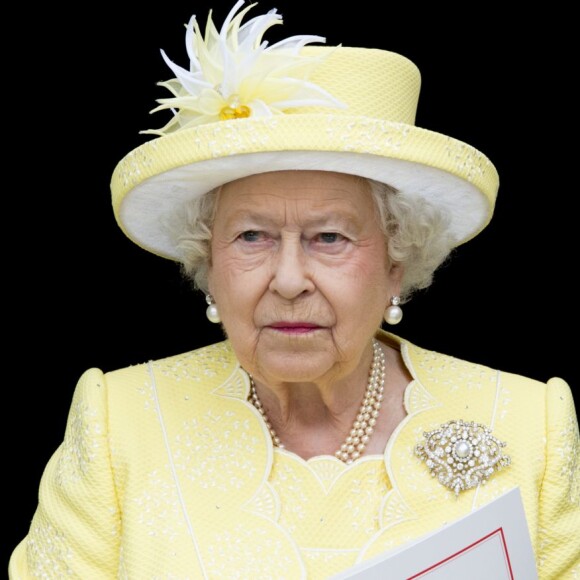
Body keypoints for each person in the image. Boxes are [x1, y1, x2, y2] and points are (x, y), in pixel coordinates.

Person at [9, 1, 579, 578]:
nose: (286, 280)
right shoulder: (120, 424)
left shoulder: (529, 425)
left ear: (396, 262)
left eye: (329, 237)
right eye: (251, 236)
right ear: (209, 259)